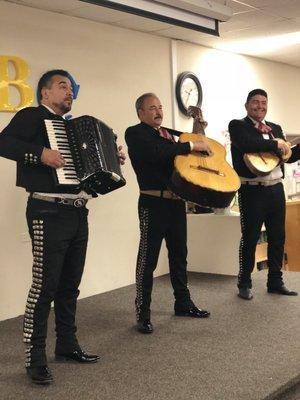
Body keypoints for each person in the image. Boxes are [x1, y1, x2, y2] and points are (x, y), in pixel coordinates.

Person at [0, 69, 125, 385]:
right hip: (46, 210)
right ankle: (35, 356)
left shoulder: (74, 128)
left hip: (77, 212)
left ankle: (67, 345)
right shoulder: (31, 117)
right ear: (44, 93)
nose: (69, 92)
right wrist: (40, 154)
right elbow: (3, 142)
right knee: (45, 285)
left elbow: (90, 169)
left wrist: (113, 155)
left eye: (71, 88)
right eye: (62, 86)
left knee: (70, 285)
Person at [125, 92, 212, 334]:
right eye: (152, 107)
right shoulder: (136, 133)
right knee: (148, 260)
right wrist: (191, 144)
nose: (158, 111)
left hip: (176, 204)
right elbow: (156, 153)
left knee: (179, 256)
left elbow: (189, 158)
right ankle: (143, 313)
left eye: (160, 107)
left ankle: (183, 303)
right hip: (152, 203)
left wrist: (196, 133)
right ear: (140, 113)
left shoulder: (169, 135)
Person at [229, 88, 300, 300]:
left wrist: (292, 147)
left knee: (278, 237)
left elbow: (287, 155)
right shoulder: (238, 126)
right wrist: (275, 143)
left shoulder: (275, 128)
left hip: (276, 189)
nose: (260, 106)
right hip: (252, 191)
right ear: (246, 105)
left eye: (263, 102)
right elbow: (248, 144)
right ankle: (244, 282)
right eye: (255, 102)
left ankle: (275, 281)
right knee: (250, 238)